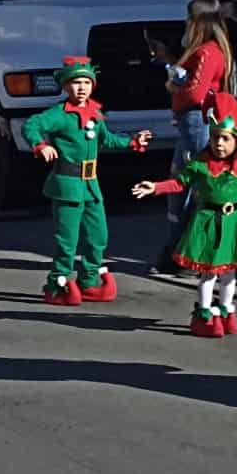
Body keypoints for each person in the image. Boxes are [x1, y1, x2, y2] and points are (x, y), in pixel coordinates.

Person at [132, 94, 237, 337]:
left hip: (235, 223)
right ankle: (204, 310)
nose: (219, 144)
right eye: (215, 138)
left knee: (229, 272)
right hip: (208, 223)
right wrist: (156, 187)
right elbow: (179, 183)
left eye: (225, 139)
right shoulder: (200, 165)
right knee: (208, 272)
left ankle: (226, 308)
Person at [23, 57, 152, 305]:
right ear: (64, 86)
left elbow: (107, 139)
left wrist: (132, 141)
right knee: (67, 240)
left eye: (86, 82)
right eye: (75, 82)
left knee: (98, 236)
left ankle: (89, 278)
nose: (81, 88)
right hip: (67, 184)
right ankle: (57, 281)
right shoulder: (59, 115)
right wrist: (40, 144)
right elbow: (32, 124)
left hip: (91, 186)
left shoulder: (94, 111)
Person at [151, 0, 232, 275]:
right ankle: (180, 249)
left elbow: (195, 93)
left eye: (189, 20)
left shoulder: (207, 52)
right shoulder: (207, 52)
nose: (185, 25)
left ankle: (190, 251)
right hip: (193, 123)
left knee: (191, 186)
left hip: (196, 122)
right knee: (182, 183)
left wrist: (174, 85)